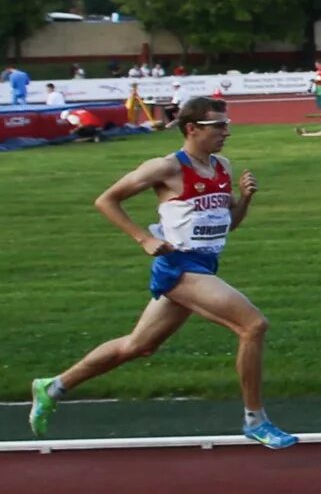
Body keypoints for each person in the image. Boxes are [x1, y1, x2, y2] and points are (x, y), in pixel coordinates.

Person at [28, 96, 297, 448]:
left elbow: (228, 225)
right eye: (219, 125)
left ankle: (53, 386)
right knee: (253, 325)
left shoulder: (222, 167)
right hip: (178, 266)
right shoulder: (166, 167)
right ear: (191, 128)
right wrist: (143, 238)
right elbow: (106, 200)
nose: (227, 131)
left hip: (204, 265)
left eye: (226, 125)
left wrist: (245, 200)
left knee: (138, 346)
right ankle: (255, 419)